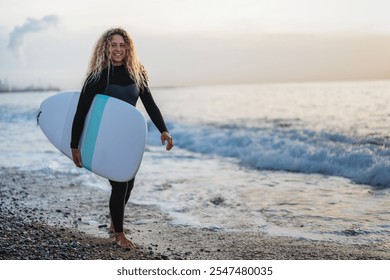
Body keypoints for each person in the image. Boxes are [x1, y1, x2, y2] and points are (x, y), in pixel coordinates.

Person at [70, 27, 174, 249]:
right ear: (106, 48)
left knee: (129, 182)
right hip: (106, 138)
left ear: (128, 48)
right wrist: (74, 145)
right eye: (113, 45)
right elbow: (81, 112)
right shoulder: (97, 76)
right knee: (119, 184)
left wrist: (163, 130)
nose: (118, 49)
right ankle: (119, 234)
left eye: (121, 45)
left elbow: (150, 104)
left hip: (128, 138)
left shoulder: (138, 73)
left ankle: (113, 221)